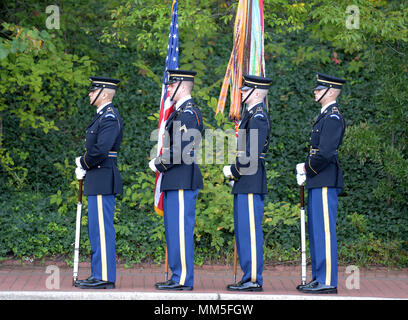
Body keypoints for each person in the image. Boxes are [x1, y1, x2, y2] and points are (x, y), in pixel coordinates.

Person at [149, 69, 203, 291]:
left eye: (171, 86)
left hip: (182, 179)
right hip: (174, 179)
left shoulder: (189, 113)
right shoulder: (179, 113)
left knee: (180, 230)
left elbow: (182, 148)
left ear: (182, 86)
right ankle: (176, 275)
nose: (168, 89)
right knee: (173, 230)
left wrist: (159, 163)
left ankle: (182, 278)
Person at [296, 72, 346, 294]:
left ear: (331, 91)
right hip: (318, 179)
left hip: (324, 179)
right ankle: (318, 277)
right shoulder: (324, 115)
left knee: (324, 231)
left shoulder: (333, 117)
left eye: (320, 88)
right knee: (316, 231)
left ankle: (327, 280)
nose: (315, 91)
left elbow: (326, 153)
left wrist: (307, 167)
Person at [223, 74, 272, 292]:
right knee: (243, 230)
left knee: (250, 231)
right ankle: (247, 275)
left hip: (251, 178)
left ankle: (253, 278)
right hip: (246, 179)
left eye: (246, 90)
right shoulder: (250, 115)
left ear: (257, 93)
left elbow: (251, 154)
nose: (241, 92)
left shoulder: (258, 117)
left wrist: (234, 171)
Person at [74, 76, 123, 289]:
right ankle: (97, 273)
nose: (90, 94)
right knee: (96, 229)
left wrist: (83, 163)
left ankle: (104, 276)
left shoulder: (109, 117)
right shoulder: (101, 116)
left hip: (103, 178)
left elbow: (102, 150)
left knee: (102, 230)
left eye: (93, 91)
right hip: (98, 178)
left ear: (104, 94)